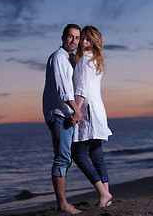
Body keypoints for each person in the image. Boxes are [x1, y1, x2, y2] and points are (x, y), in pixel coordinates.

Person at [42, 24, 83, 214]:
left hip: (65, 114)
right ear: (63, 37)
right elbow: (63, 90)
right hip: (59, 114)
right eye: (70, 37)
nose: (73, 41)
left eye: (77, 38)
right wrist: (76, 110)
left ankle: (62, 203)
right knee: (62, 158)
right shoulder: (58, 57)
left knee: (65, 158)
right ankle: (62, 205)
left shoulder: (68, 59)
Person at [72, 26, 113, 207]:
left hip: (88, 111)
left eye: (88, 39)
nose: (83, 42)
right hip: (99, 111)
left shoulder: (85, 59)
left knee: (79, 155)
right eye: (83, 39)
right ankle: (106, 197)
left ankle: (103, 193)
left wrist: (76, 111)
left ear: (94, 41)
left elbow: (81, 88)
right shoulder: (97, 59)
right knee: (97, 156)